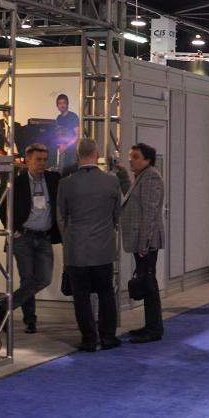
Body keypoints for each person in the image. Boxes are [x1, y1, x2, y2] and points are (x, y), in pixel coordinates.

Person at [57, 137, 122, 352]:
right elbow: (116, 215)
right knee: (106, 293)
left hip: (77, 250)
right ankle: (108, 337)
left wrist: (69, 240)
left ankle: (89, 339)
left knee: (81, 297)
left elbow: (61, 217)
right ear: (97, 155)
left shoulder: (66, 184)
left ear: (77, 156)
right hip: (103, 248)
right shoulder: (112, 181)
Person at [0, 143, 60, 334]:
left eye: (44, 160)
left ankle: (5, 305)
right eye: (38, 159)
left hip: (44, 237)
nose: (42, 163)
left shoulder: (53, 179)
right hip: (23, 237)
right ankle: (30, 320)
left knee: (44, 278)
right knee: (28, 279)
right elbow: (3, 209)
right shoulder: (17, 182)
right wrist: (13, 229)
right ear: (28, 160)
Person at [117, 142, 165, 343]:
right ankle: (151, 326)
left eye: (136, 157)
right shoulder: (142, 176)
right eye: (130, 156)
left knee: (148, 283)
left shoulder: (151, 176)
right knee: (146, 282)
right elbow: (132, 199)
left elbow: (150, 213)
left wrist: (145, 243)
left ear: (147, 159)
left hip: (147, 241)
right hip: (143, 240)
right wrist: (122, 176)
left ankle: (154, 329)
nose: (131, 160)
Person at [54, 94, 79, 173]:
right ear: (57, 106)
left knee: (73, 175)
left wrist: (66, 146)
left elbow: (78, 135)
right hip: (63, 151)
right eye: (59, 103)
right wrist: (59, 145)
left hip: (72, 151)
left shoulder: (73, 116)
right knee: (62, 174)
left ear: (67, 104)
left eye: (64, 103)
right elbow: (59, 134)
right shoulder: (59, 118)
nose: (62, 105)